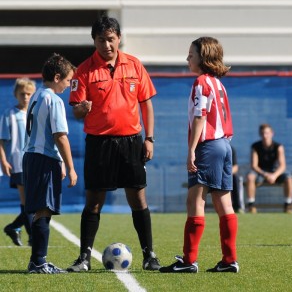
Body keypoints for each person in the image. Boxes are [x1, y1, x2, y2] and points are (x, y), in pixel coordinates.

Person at [67, 15, 160, 272]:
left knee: (138, 198)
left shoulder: (135, 65)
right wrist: (82, 109)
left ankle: (149, 255)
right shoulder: (84, 70)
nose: (106, 45)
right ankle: (84, 257)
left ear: (119, 38)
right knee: (94, 200)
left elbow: (146, 103)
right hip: (99, 144)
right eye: (101, 40)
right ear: (94, 41)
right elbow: (75, 109)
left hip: (132, 142)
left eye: (110, 39)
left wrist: (149, 139)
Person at [159, 36, 239, 273]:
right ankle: (229, 260)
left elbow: (200, 116)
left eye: (191, 55)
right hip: (225, 145)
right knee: (224, 202)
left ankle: (188, 260)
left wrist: (192, 150)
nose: (187, 58)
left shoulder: (201, 82)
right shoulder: (218, 83)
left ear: (202, 58)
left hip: (209, 146)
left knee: (195, 200)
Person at [23, 53, 78, 273]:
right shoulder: (53, 99)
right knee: (44, 209)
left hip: (33, 156)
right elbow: (60, 136)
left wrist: (59, 162)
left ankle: (36, 260)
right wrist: (71, 167)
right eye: (67, 80)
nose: (68, 85)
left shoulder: (37, 95)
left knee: (39, 209)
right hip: (42, 158)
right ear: (57, 77)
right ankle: (39, 262)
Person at [0, 78, 36, 246]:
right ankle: (33, 238)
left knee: (33, 202)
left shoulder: (36, 113)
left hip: (35, 162)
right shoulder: (9, 114)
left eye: (29, 94)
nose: (26, 97)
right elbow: (1, 140)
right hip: (18, 162)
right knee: (27, 202)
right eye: (22, 94)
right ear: (16, 94)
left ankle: (13, 227)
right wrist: (4, 161)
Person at [246, 123, 292, 214]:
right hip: (261, 173)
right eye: (263, 133)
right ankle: (251, 205)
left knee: (289, 177)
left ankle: (288, 205)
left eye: (267, 133)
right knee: (250, 177)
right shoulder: (255, 146)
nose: (265, 135)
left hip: (275, 172)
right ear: (260, 134)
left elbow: (283, 166)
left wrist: (274, 175)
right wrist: (265, 174)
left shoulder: (278, 147)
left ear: (272, 133)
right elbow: (254, 166)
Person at [231, 146, 243, 213]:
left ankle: (237, 207)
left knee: (235, 178)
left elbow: (235, 167)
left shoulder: (231, 149)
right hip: (212, 174)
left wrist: (227, 174)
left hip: (226, 175)